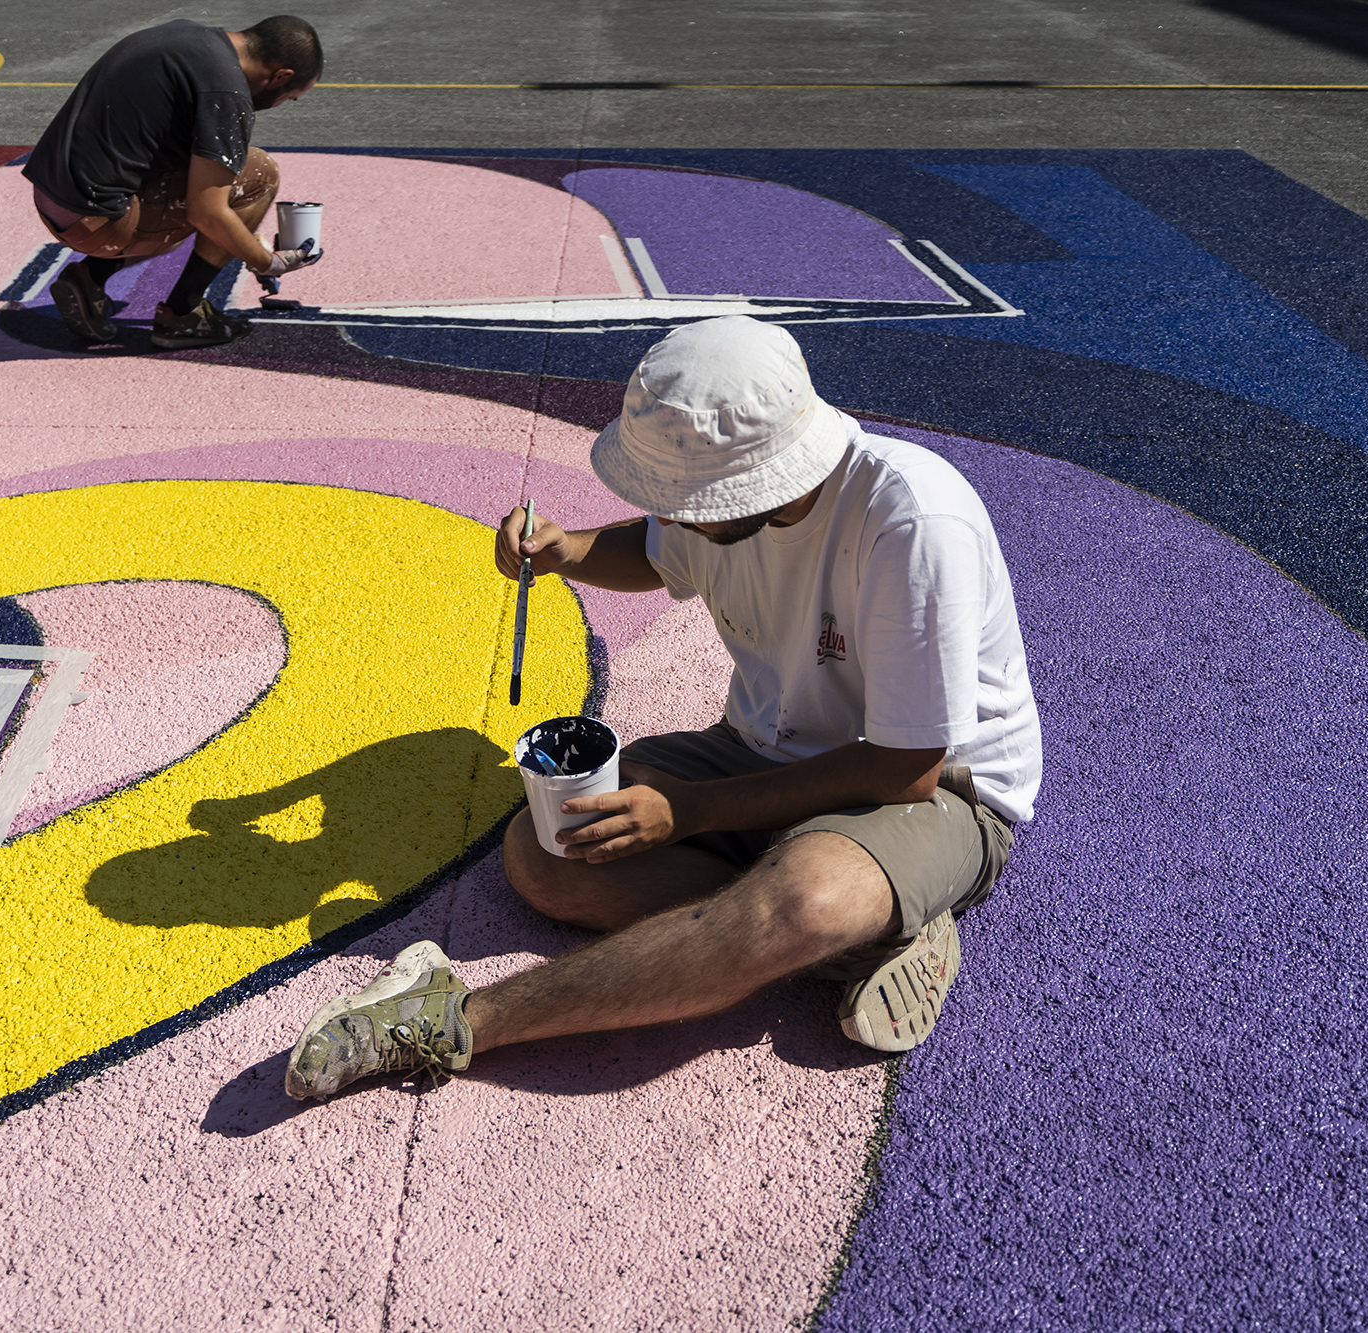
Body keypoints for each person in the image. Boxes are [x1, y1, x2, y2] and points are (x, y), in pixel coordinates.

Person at [284, 315, 1043, 1101]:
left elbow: (907, 767)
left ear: (761, 477)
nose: (669, 512)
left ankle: (457, 1018)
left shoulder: (912, 521)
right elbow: (653, 549)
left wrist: (690, 811)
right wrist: (565, 548)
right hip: (764, 747)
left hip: (937, 788)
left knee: (808, 897)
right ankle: (869, 930)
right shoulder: (728, 506)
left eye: (683, 498)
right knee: (551, 849)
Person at [21, 16, 324, 350]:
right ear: (281, 75)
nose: (282, 105)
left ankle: (91, 277)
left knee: (213, 196)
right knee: (259, 174)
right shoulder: (227, 91)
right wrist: (269, 262)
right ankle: (182, 314)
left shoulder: (187, 36)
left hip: (55, 196)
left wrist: (243, 239)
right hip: (97, 221)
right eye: (290, 97)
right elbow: (207, 214)